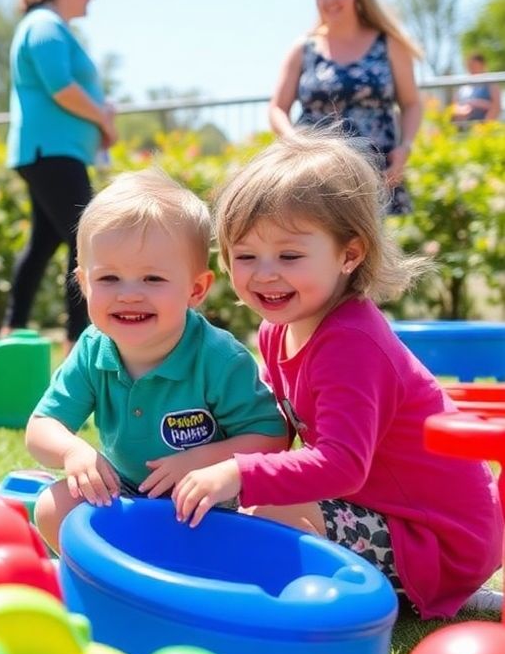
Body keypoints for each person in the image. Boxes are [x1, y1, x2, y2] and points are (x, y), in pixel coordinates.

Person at [178, 132, 503, 618]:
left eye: (289, 256)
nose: (265, 274)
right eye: (245, 256)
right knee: (241, 506)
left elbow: (341, 464)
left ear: (349, 255)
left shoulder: (350, 344)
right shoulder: (277, 328)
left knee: (266, 513)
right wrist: (215, 454)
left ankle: (434, 589)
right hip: (384, 511)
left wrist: (237, 472)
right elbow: (276, 426)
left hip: (437, 537)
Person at [27, 170, 289, 553]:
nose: (129, 295)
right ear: (83, 284)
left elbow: (272, 438)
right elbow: (41, 426)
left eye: (152, 279)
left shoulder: (217, 358)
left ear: (195, 289)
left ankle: (185, 576)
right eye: (110, 278)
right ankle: (109, 580)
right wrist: (73, 451)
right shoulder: (92, 349)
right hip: (126, 490)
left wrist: (203, 460)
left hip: (208, 501)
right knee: (53, 507)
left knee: (262, 521)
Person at [2, 0, 116, 357]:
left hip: (54, 152)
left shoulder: (50, 27)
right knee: (85, 240)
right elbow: (61, 88)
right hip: (50, 152)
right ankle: (77, 343)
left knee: (44, 243)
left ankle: (11, 333)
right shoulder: (44, 27)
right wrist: (101, 115)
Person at [268, 0, 423, 216]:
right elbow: (277, 108)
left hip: (373, 171)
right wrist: (294, 141)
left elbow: (411, 104)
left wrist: (404, 146)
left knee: (362, 247)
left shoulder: (388, 44)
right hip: (315, 170)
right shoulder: (304, 48)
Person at [452, 53, 501, 126]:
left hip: (484, 128)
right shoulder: (463, 87)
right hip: (464, 128)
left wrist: (485, 127)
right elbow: (454, 106)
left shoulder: (491, 84)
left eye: (475, 66)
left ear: (483, 65)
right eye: (470, 66)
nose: (472, 69)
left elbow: (496, 107)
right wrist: (461, 111)